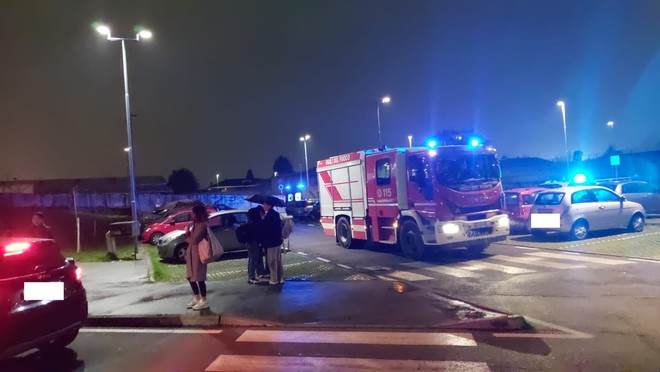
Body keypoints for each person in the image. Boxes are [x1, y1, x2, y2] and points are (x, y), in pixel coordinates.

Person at [185, 205, 210, 310]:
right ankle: (197, 297)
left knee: (199, 277)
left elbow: (195, 240)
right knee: (190, 277)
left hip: (198, 255)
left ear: (198, 214)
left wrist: (187, 234)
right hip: (191, 254)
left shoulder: (203, 225)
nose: (192, 215)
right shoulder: (195, 224)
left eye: (193, 213)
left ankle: (204, 300)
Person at [261, 200, 284, 285]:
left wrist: (263, 220)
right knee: (278, 261)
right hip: (277, 241)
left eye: (264, 204)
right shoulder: (276, 214)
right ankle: (280, 278)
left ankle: (274, 279)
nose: (263, 206)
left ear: (269, 205)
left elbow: (267, 229)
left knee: (272, 261)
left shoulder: (269, 215)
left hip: (271, 242)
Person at [245, 206, 266, 284]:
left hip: (251, 243)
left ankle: (256, 275)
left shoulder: (251, 221)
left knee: (254, 258)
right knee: (253, 259)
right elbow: (258, 233)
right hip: (254, 243)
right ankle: (251, 277)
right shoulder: (256, 222)